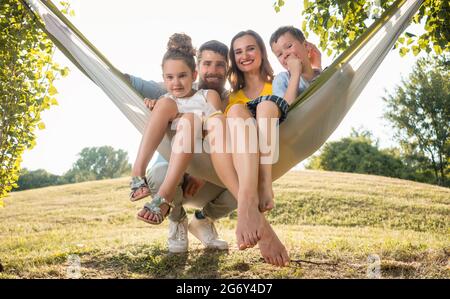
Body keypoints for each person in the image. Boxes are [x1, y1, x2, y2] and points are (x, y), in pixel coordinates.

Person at [125, 40, 236, 254]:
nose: (176, 82)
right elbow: (141, 89)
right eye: (170, 78)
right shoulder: (165, 101)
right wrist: (152, 107)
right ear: (163, 78)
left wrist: (191, 119)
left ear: (194, 76)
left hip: (205, 163)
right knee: (166, 106)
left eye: (182, 76)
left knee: (190, 120)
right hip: (176, 167)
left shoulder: (207, 96)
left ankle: (165, 198)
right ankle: (137, 174)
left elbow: (216, 123)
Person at [269, 26, 322, 105]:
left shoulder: (321, 74)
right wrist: (295, 74)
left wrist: (318, 66)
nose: (285, 55)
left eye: (289, 46)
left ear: (306, 46)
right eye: (279, 54)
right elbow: (284, 110)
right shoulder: (282, 79)